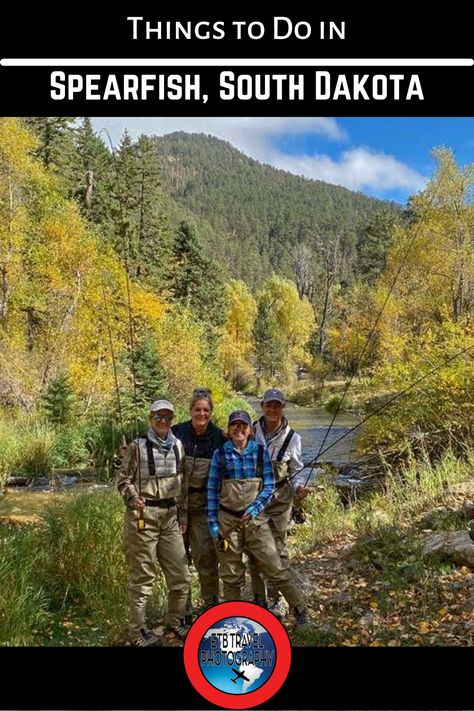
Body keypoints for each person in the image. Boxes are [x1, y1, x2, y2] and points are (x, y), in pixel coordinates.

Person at [207, 409, 309, 626]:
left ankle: (300, 610)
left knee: (275, 568)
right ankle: (232, 621)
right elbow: (212, 492)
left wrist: (253, 510)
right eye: (234, 425)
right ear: (229, 429)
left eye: (243, 426)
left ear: (250, 430)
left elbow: (269, 486)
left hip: (256, 520)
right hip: (227, 522)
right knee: (231, 575)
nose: (239, 429)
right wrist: (214, 527)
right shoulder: (220, 454)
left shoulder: (260, 452)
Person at [117, 399, 191, 646]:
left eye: (167, 418)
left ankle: (175, 622)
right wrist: (133, 497)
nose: (163, 422)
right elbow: (122, 481)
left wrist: (182, 517)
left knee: (181, 575)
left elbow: (184, 486)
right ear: (151, 419)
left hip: (170, 516)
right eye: (158, 417)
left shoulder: (179, 446)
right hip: (143, 517)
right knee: (143, 577)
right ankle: (136, 631)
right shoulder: (137, 447)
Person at [249, 388, 310, 618]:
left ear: (283, 407)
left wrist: (300, 488)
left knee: (278, 551)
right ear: (262, 406)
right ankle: (258, 598)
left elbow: (297, 470)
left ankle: (279, 599)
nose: (272, 409)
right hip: (254, 499)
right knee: (253, 551)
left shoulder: (293, 438)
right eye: (268, 405)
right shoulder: (250, 430)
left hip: (280, 501)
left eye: (277, 405)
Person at [172, 388, 226, 612]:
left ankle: (211, 605)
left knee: (206, 557)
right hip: (177, 507)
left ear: (211, 412)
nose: (201, 414)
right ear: (190, 410)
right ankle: (182, 610)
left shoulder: (219, 437)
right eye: (197, 409)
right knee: (178, 560)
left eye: (206, 410)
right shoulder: (176, 433)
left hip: (204, 508)